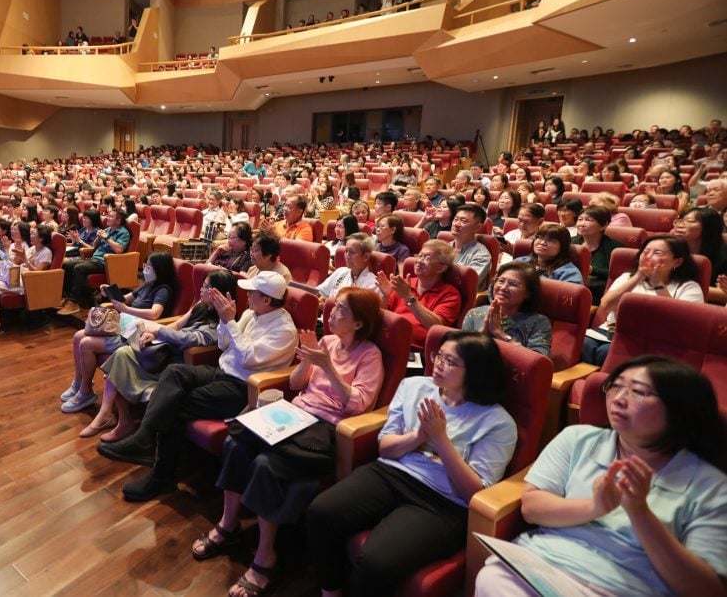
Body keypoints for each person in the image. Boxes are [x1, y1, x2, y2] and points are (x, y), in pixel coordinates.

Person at [475, 357, 727, 597]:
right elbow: (532, 508)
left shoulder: (712, 486)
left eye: (638, 391)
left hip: (626, 588)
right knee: (492, 578)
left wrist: (640, 513)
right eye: (615, 386)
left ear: (681, 408)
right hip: (542, 566)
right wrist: (594, 506)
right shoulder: (576, 438)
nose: (618, 398)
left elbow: (706, 589)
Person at [195, 288, 385, 597]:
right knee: (235, 444)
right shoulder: (327, 341)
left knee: (265, 463)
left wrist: (327, 366)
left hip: (325, 431)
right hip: (294, 416)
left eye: (340, 312)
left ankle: (265, 556)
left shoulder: (370, 355)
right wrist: (307, 359)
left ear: (359, 323)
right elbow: (297, 384)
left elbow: (358, 406)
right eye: (333, 309)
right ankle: (228, 524)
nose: (331, 315)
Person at [307, 331, 517, 595]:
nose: (438, 363)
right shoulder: (414, 386)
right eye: (439, 355)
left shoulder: (498, 422)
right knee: (321, 511)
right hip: (391, 473)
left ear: (475, 371)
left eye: (450, 361)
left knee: (376, 561)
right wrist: (418, 436)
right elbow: (385, 449)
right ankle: (331, 591)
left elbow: (474, 492)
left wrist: (441, 440)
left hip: (441, 502)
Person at [97, 271, 299, 503]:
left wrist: (229, 321)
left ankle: (161, 475)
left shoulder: (284, 330)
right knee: (175, 373)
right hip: (221, 372)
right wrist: (226, 321)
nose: (248, 294)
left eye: (252, 292)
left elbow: (248, 359)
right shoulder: (251, 314)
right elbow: (224, 345)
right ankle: (145, 437)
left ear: (266, 300)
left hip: (243, 388)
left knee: (175, 403)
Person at [80, 268, 237, 440]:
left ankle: (115, 419)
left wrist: (159, 331)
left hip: (176, 364)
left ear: (217, 293)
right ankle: (116, 418)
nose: (201, 288)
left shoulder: (221, 323)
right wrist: (153, 334)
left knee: (122, 355)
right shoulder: (201, 305)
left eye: (206, 287)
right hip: (163, 351)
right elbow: (177, 325)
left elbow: (190, 338)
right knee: (122, 353)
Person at [61, 251, 177, 413]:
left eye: (149, 266)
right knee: (78, 336)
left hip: (137, 333)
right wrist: (110, 292)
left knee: (86, 343)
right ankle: (78, 382)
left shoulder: (163, 289)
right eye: (145, 265)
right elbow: (125, 299)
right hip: (124, 326)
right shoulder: (147, 285)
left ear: (160, 269)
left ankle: (86, 392)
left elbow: (154, 313)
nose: (145, 269)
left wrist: (126, 309)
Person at [580, 236, 703, 366]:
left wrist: (658, 285)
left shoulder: (689, 287)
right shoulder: (628, 277)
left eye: (657, 253)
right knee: (581, 342)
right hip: (610, 331)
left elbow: (679, 323)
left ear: (677, 262)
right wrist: (638, 276)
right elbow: (607, 305)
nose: (648, 256)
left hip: (653, 340)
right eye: (646, 251)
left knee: (607, 352)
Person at [0, 223, 53, 336]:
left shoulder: (46, 252)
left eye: (33, 234)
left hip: (27, 283)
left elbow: (37, 274)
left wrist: (25, 261)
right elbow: (13, 263)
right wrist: (7, 250)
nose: (30, 235)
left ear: (41, 238)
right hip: (15, 277)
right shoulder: (32, 248)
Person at [377, 240, 462, 350]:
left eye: (426, 258)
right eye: (420, 255)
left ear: (441, 268)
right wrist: (385, 296)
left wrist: (408, 297)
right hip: (388, 342)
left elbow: (436, 325)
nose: (419, 261)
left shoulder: (450, 294)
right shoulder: (404, 284)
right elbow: (383, 317)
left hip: (417, 350)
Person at [463, 262, 552, 356]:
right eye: (501, 281)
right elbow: (460, 354)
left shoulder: (538, 322)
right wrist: (482, 333)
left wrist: (500, 334)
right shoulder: (475, 313)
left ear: (528, 294)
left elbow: (538, 362)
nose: (503, 287)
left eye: (513, 284)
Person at [58, 208, 131, 315]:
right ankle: (68, 297)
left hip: (107, 262)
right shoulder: (107, 230)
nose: (107, 218)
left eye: (111, 216)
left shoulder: (123, 233)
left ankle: (74, 303)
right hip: (95, 258)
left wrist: (106, 238)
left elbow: (119, 250)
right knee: (66, 264)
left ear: (118, 220)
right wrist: (98, 238)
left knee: (79, 268)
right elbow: (93, 247)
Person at [571, 205, 623, 305]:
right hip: (571, 288)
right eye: (580, 219)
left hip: (598, 295)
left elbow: (620, 277)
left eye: (589, 220)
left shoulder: (615, 248)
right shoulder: (570, 242)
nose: (582, 224)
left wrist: (592, 270)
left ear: (604, 225)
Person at [315, 233, 381, 302]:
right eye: (346, 251)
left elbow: (358, 311)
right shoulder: (340, 271)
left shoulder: (373, 283)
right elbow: (319, 292)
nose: (347, 256)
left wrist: (327, 305)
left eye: (352, 252)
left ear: (366, 257)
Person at [515, 223, 584, 285]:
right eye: (539, 238)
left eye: (550, 240)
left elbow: (569, 298)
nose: (542, 243)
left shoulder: (569, 273)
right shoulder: (521, 261)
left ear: (562, 246)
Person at [672, 206, 727, 278]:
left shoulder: (723, 256)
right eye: (681, 221)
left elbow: (722, 289)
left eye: (690, 221)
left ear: (708, 228)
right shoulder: (673, 248)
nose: (680, 225)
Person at [450, 203, 492, 291]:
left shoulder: (481, 255)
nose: (456, 224)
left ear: (477, 227)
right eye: (455, 219)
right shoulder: (443, 247)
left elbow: (467, 285)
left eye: (463, 221)